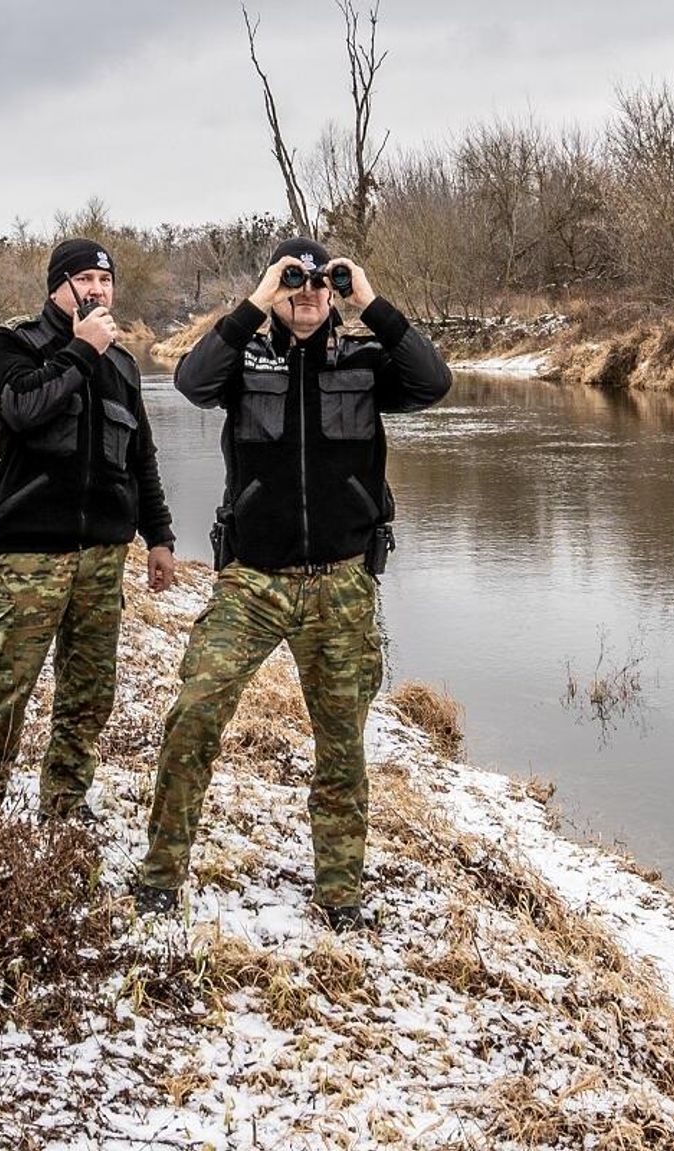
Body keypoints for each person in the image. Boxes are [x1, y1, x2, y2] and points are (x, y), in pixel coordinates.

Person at [134, 236, 451, 927]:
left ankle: (340, 894)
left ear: (334, 290)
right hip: (252, 581)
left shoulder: (364, 357)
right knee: (194, 712)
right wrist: (254, 303)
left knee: (342, 745)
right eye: (292, 283)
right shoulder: (245, 357)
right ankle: (160, 874)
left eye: (318, 284)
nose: (307, 295)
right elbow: (191, 382)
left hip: (340, 582)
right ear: (274, 289)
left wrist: (371, 301)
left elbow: (434, 383)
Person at [0, 237, 176, 821]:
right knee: (6, 687)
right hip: (34, 550)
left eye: (105, 283)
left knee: (88, 693)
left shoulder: (124, 365)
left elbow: (142, 457)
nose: (97, 291)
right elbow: (23, 410)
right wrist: (81, 352)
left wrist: (159, 537)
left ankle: (63, 802)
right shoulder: (15, 345)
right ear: (58, 286)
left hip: (103, 556)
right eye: (84, 280)